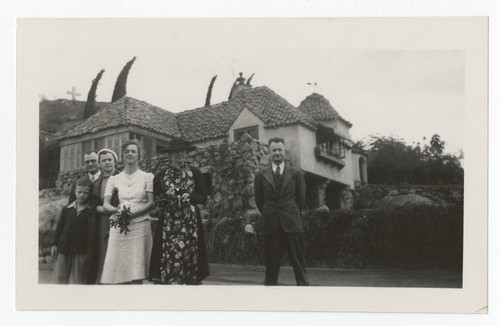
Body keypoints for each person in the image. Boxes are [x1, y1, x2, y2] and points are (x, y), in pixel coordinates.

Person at [149, 138, 209, 285]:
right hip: (169, 223)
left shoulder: (195, 173)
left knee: (190, 252)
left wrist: (190, 196)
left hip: (190, 222)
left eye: (182, 151)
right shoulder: (161, 175)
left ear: (186, 153)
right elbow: (157, 201)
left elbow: (203, 197)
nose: (179, 154)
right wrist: (166, 196)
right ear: (170, 154)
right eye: (175, 152)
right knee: (168, 252)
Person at [253, 137, 310, 286]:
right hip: (271, 223)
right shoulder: (260, 175)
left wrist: (290, 212)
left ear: (284, 151)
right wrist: (269, 212)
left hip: (291, 222)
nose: (277, 153)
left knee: (298, 261)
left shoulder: (296, 174)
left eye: (280, 150)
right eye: (274, 150)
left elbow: (301, 200)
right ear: (269, 153)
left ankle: (304, 291)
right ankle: (271, 296)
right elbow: (260, 201)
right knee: (271, 264)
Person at [100, 140, 155, 284]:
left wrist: (133, 215)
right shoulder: (113, 179)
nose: (130, 154)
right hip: (118, 226)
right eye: (127, 152)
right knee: (118, 268)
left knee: (137, 270)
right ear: (122, 156)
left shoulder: (147, 177)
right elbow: (106, 204)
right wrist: (115, 210)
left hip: (140, 226)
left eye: (133, 151)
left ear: (139, 156)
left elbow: (151, 203)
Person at [51, 178, 96, 284]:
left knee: (78, 280)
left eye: (85, 193)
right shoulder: (66, 209)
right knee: (60, 278)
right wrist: (54, 244)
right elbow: (59, 227)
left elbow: (91, 233)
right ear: (75, 192)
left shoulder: (90, 212)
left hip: (80, 250)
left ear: (89, 194)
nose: (82, 195)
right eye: (79, 192)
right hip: (64, 247)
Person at [93, 148, 118, 284]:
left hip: (121, 220)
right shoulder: (97, 183)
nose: (107, 163)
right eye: (104, 160)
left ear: (115, 162)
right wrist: (110, 210)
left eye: (109, 160)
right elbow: (93, 206)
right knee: (104, 252)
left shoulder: (123, 178)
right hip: (103, 222)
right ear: (100, 164)